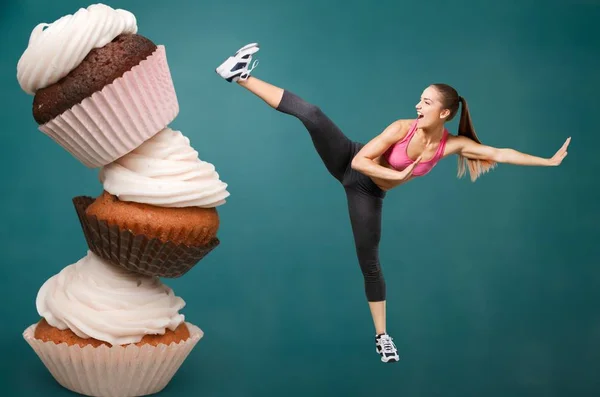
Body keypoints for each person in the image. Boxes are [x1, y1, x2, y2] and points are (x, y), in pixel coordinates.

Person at [215, 43, 571, 363]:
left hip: (367, 194)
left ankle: (382, 337)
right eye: (420, 99)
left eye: (427, 102)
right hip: (350, 159)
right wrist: (399, 177)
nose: (418, 105)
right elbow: (358, 164)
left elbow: (499, 152)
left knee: (370, 262)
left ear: (445, 113)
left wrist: (548, 161)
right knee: (314, 115)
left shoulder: (451, 146)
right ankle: (240, 75)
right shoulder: (403, 127)